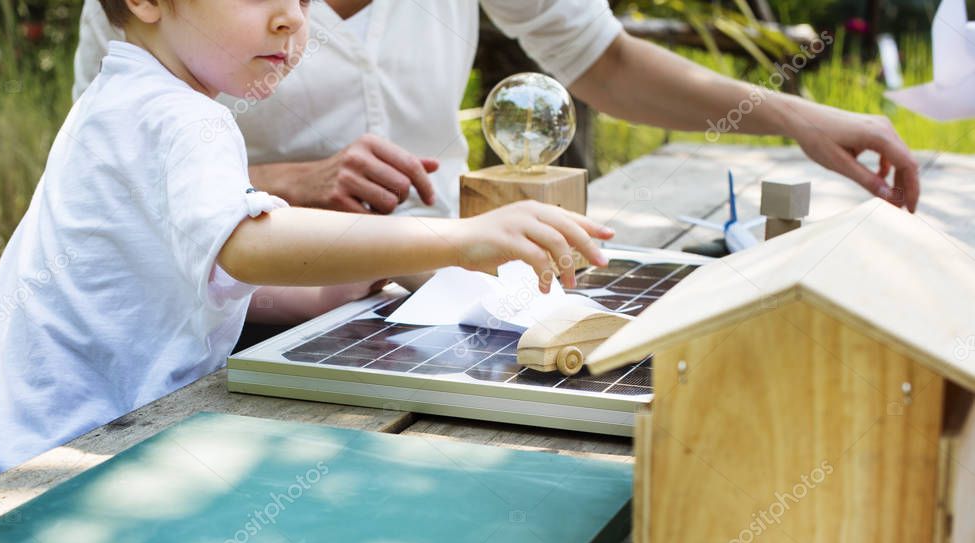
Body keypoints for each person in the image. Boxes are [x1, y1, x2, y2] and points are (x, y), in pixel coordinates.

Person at [0, 0, 612, 495]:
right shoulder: (181, 117)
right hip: (49, 471)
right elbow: (247, 247)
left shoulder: (129, 94)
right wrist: (461, 239)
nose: (291, 21)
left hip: (25, 445)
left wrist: (380, 268)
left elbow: (208, 275)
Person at [73, 0, 922, 338]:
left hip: (415, 298)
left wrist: (798, 116)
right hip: (230, 320)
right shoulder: (171, 22)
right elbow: (108, 173)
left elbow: (604, 61)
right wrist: (286, 184)